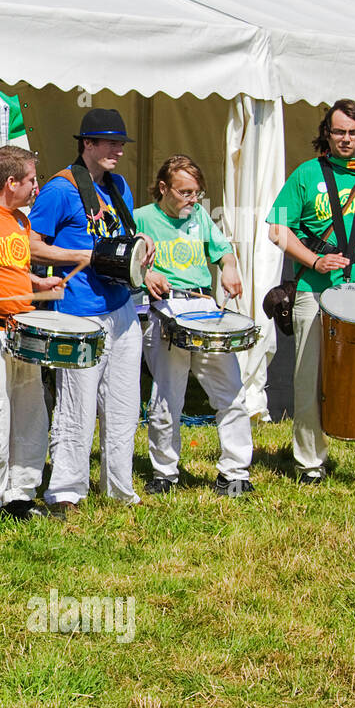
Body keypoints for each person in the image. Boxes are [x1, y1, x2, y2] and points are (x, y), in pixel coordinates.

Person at [266, 98, 355, 485]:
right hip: (313, 292)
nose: (346, 139)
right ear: (326, 135)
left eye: (353, 132)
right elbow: (277, 228)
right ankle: (310, 464)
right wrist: (314, 262)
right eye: (338, 132)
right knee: (308, 379)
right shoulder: (304, 174)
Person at [30, 108, 167, 514]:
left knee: (124, 402)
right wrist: (80, 254)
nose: (118, 150)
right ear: (87, 143)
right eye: (110, 142)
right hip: (79, 309)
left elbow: (117, 238)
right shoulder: (60, 188)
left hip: (121, 305)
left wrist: (141, 247)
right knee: (78, 404)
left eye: (122, 143)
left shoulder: (118, 185)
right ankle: (66, 492)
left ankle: (119, 487)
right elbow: (31, 245)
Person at [0, 146, 84, 526]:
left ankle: (20, 495)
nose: (37, 187)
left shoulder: (20, 221)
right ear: (11, 182)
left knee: (30, 415)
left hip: (21, 329)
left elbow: (9, 266)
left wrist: (38, 281)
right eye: (32, 180)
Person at [137, 155, 253, 496]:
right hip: (164, 308)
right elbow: (124, 260)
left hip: (203, 306)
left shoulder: (199, 215)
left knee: (230, 390)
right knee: (167, 395)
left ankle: (235, 472)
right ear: (163, 188)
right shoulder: (141, 217)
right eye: (185, 192)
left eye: (197, 193)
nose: (192, 200)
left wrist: (229, 267)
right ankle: (164, 472)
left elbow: (222, 251)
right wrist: (144, 274)